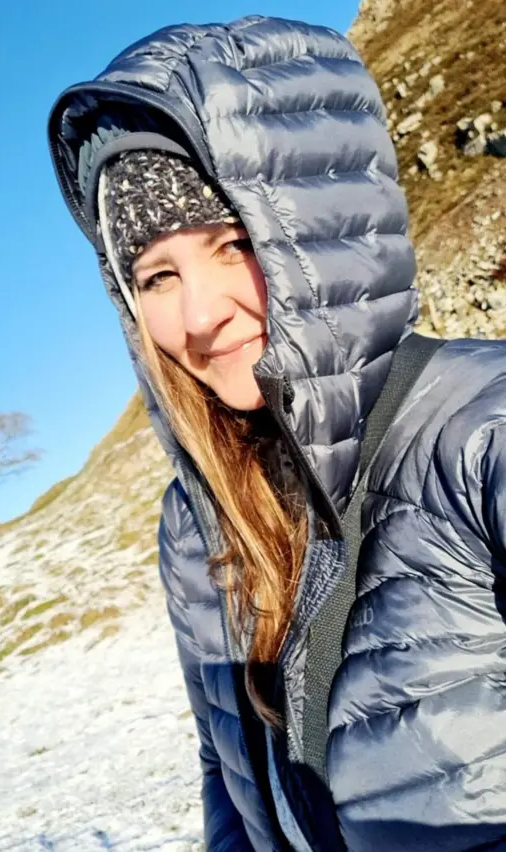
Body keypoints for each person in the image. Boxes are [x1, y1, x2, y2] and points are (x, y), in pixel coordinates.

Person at [47, 15, 506, 852]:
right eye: (155, 275)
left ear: (317, 236)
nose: (196, 315)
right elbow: (225, 774)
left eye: (232, 244)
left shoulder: (481, 429)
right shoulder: (195, 524)